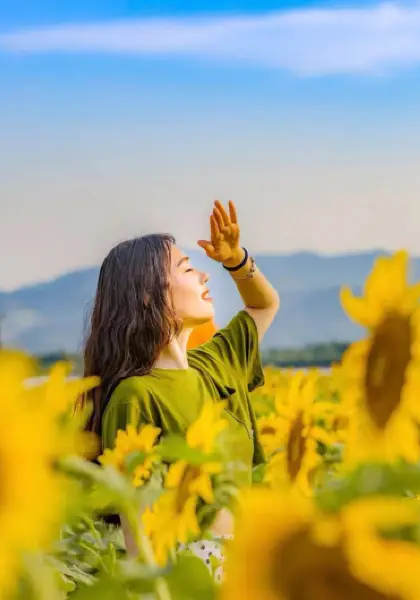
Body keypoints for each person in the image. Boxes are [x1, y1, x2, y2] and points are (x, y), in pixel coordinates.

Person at [80, 200, 279, 578]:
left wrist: (236, 261)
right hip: (193, 572)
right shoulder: (135, 395)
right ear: (146, 295)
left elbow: (263, 306)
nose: (205, 276)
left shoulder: (215, 364)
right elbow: (137, 523)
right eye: (187, 268)